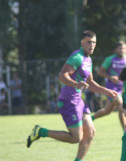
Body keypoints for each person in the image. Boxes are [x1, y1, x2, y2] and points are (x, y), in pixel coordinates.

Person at [26, 30, 118, 161]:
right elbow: (62, 76)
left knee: (90, 133)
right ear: (82, 43)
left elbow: (90, 82)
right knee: (76, 138)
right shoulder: (77, 57)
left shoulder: (88, 59)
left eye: (94, 42)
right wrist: (76, 84)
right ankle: (40, 132)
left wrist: (107, 91)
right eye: (89, 42)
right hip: (68, 102)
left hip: (78, 101)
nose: (91, 45)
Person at [92, 41, 126, 129]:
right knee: (121, 105)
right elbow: (100, 72)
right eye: (120, 48)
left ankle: (90, 118)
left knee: (107, 111)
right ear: (116, 50)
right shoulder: (110, 59)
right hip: (112, 87)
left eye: (124, 48)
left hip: (124, 88)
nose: (122, 50)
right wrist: (110, 77)